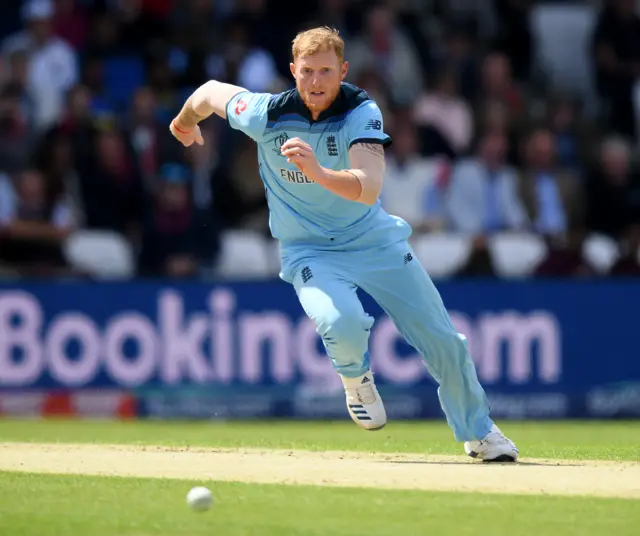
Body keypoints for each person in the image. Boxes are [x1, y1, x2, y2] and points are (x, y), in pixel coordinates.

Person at [169, 26, 518, 463]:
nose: (317, 82)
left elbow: (369, 187)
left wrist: (317, 172)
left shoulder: (360, 110)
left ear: (343, 71)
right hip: (309, 250)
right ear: (293, 71)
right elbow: (209, 92)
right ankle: (356, 379)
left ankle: (479, 433)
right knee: (341, 320)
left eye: (327, 72)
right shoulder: (266, 113)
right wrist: (184, 121)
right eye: (308, 71)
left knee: (444, 340)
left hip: (372, 239)